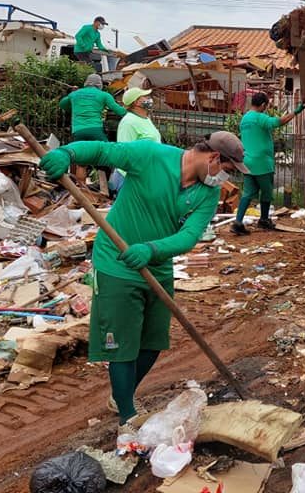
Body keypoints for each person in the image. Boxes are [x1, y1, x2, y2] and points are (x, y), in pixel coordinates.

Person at [37, 132, 247, 439]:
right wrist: (68, 154)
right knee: (122, 343)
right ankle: (127, 415)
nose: (225, 178)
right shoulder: (150, 156)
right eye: (226, 169)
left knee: (153, 340)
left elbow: (189, 237)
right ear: (214, 158)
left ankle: (121, 393)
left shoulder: (207, 192)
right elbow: (103, 151)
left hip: (156, 265)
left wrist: (151, 250)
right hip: (117, 261)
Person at [231, 92, 305, 235]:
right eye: (266, 106)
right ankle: (264, 220)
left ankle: (238, 222)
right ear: (263, 105)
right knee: (266, 192)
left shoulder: (245, 119)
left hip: (247, 162)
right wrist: (296, 112)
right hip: (262, 162)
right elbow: (279, 121)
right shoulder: (260, 118)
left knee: (247, 193)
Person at [109, 88, 160, 193]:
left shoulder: (146, 119)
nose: (149, 99)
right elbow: (125, 153)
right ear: (136, 102)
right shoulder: (128, 122)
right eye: (144, 97)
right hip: (130, 178)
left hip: (145, 175)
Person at [59, 74, 127, 142]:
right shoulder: (104, 95)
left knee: (79, 148)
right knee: (106, 147)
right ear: (100, 84)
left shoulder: (74, 94)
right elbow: (119, 111)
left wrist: (73, 108)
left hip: (77, 130)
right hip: (95, 129)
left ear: (86, 83)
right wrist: (129, 110)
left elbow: (62, 104)